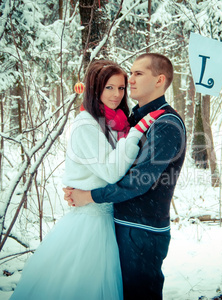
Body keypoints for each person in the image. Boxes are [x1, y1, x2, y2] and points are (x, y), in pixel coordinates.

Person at [11, 60, 163, 300]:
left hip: (109, 218)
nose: (116, 94)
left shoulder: (116, 122)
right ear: (95, 89)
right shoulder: (86, 124)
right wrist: (136, 132)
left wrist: (132, 131)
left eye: (121, 88)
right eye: (109, 88)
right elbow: (112, 173)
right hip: (89, 223)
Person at [64, 53, 187, 299]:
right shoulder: (133, 118)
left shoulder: (166, 124)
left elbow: (137, 181)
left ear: (159, 80)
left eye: (138, 74)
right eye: (130, 74)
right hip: (119, 223)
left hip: (143, 229)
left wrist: (90, 195)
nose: (130, 80)